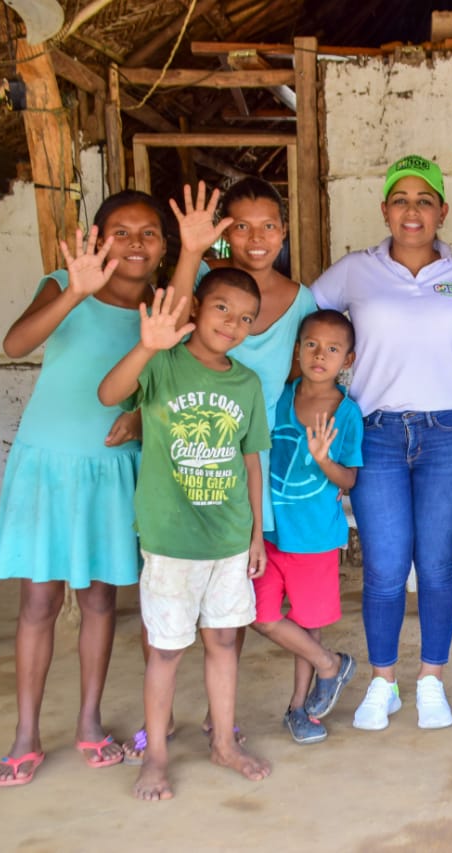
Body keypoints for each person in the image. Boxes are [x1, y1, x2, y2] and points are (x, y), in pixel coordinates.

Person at [311, 154, 452, 731]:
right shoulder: (354, 271)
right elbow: (304, 321)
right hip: (375, 436)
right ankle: (382, 682)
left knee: (440, 564)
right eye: (401, 199)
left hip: (450, 435)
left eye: (425, 200)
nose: (413, 211)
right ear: (385, 210)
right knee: (385, 567)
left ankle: (430, 681)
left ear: (443, 210)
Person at [122, 178, 319, 762]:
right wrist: (140, 414)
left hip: (241, 466)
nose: (255, 238)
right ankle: (157, 738)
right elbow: (133, 377)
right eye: (241, 227)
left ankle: (220, 726)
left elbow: (295, 376)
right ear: (223, 238)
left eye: (268, 226)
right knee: (166, 625)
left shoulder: (298, 305)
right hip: (176, 464)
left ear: (284, 232)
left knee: (227, 623)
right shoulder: (185, 321)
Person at [0, 190, 169, 787]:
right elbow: (16, 344)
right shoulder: (64, 284)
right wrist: (74, 290)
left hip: (114, 467)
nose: (136, 242)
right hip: (50, 465)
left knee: (99, 601)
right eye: (122, 231)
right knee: (38, 602)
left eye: (149, 232)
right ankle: (26, 733)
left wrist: (142, 418)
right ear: (97, 238)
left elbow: (168, 381)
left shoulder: (162, 308)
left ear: (165, 247)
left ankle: (90, 722)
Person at [98, 268, 272, 801]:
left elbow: (250, 460)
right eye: (223, 309)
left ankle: (223, 741)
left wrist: (256, 535)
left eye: (246, 318)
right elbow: (110, 393)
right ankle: (155, 759)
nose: (233, 324)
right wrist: (147, 348)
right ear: (195, 306)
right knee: (167, 651)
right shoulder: (163, 364)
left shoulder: (246, 383)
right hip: (171, 540)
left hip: (228, 539)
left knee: (223, 641)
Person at [251, 309, 362, 744]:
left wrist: (322, 460)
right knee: (260, 616)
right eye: (312, 345)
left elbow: (349, 478)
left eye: (333, 349)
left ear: (347, 361)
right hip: (269, 531)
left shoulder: (347, 413)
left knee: (307, 620)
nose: (321, 355)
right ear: (296, 351)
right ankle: (330, 664)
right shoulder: (279, 397)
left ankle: (299, 709)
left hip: (314, 536)